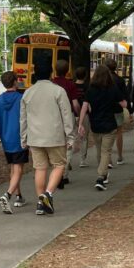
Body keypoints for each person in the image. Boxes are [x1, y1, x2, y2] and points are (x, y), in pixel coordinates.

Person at [19, 63, 74, 215]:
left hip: (35, 137)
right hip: (55, 136)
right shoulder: (58, 91)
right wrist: (70, 135)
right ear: (51, 73)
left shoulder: (28, 93)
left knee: (40, 168)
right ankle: (48, 194)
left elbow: (23, 119)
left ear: (35, 73)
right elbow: (66, 115)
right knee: (59, 165)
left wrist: (23, 138)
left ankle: (40, 202)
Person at [79, 64, 127, 191]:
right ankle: (101, 177)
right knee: (106, 151)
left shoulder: (91, 89)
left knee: (100, 150)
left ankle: (103, 173)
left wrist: (80, 123)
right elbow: (124, 103)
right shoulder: (112, 89)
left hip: (95, 124)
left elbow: (84, 106)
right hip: (109, 124)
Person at [0, 71, 28, 213]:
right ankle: (8, 194)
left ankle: (19, 195)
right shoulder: (21, 98)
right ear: (15, 82)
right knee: (18, 169)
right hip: (19, 137)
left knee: (13, 168)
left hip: (6, 139)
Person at [51, 59, 81, 187]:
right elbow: (75, 103)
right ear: (67, 70)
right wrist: (78, 115)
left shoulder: (51, 84)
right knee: (68, 146)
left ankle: (56, 171)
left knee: (56, 146)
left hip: (53, 119)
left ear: (55, 70)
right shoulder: (70, 84)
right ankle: (63, 175)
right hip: (67, 118)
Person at [104, 59, 129, 165]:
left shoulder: (102, 80)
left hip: (106, 109)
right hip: (118, 109)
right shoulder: (120, 80)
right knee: (119, 133)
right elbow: (125, 95)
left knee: (107, 134)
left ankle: (108, 160)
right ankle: (119, 156)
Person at [72, 66, 91, 168]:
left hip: (73, 114)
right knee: (84, 138)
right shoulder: (88, 87)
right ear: (85, 76)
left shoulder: (72, 86)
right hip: (85, 115)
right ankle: (82, 160)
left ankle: (69, 160)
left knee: (73, 137)